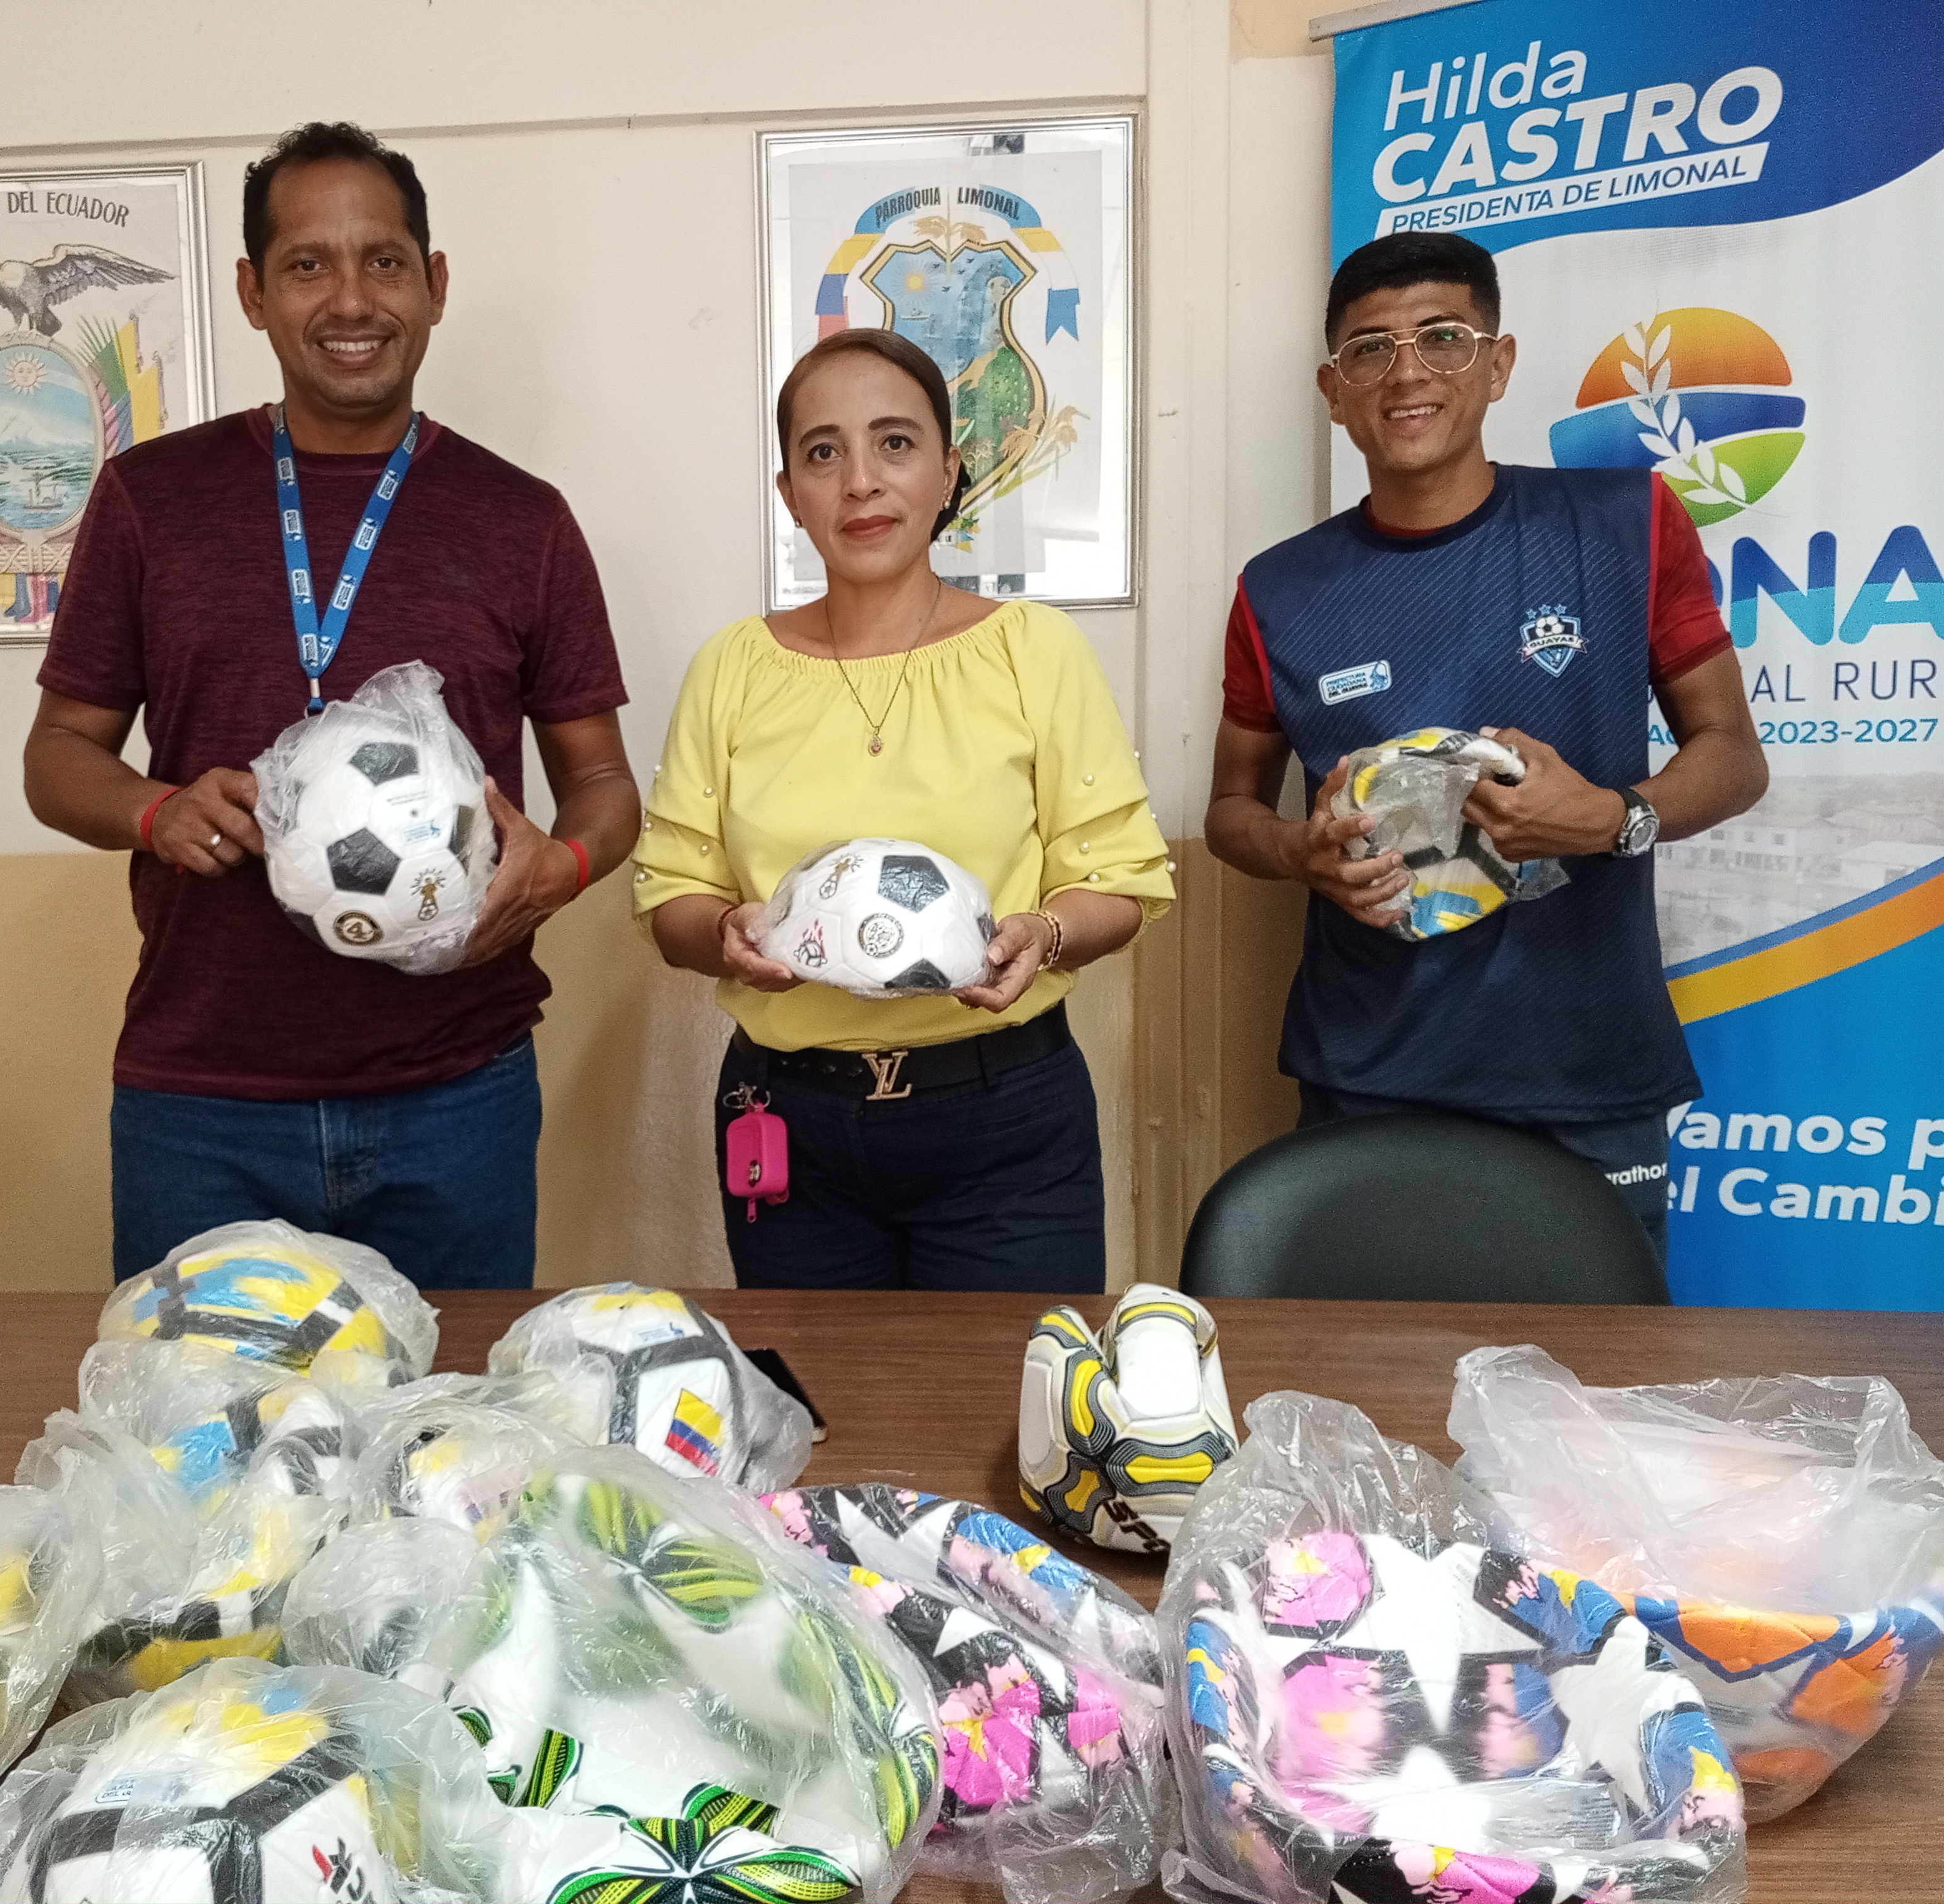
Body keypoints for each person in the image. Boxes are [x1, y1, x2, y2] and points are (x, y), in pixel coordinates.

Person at [24, 121, 638, 1288]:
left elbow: (604, 784)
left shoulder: (524, 520)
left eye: (384, 261)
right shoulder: (152, 499)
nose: (352, 299)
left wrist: (562, 867)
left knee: (452, 1404)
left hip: (457, 1094)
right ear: (253, 293)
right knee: (195, 1407)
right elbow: (57, 756)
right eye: (308, 264)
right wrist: (155, 811)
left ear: (435, 284)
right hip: (202, 1102)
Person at [1206, 232, 1767, 1264]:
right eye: (1370, 349)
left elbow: (1734, 754)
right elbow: (1230, 813)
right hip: (1370, 1072)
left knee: (1599, 1364)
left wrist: (1612, 818)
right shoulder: (1277, 589)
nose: (1407, 372)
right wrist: (1298, 853)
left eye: (1443, 337)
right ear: (1335, 390)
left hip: (1586, 1063)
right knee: (1366, 1360)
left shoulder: (1625, 523)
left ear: (1498, 363)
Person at [633, 329, 1173, 1292]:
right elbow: (671, 895)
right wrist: (724, 932)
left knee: (1010, 1385)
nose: (861, 482)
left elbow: (1121, 881)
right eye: (823, 453)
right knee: (818, 1389)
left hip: (1007, 1116)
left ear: (948, 469)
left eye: (895, 443)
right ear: (789, 492)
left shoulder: (1034, 649)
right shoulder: (732, 667)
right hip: (788, 1118)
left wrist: (1045, 935)